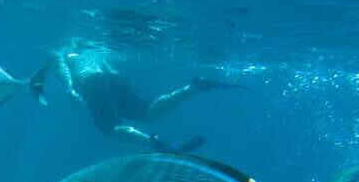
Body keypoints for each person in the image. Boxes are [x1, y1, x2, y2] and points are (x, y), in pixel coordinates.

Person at [53, 46, 247, 152]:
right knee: (148, 114)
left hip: (90, 82)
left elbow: (61, 66)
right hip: (115, 78)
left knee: (110, 131)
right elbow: (107, 65)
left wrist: (70, 88)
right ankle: (193, 88)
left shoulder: (62, 48)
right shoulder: (93, 48)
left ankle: (156, 143)